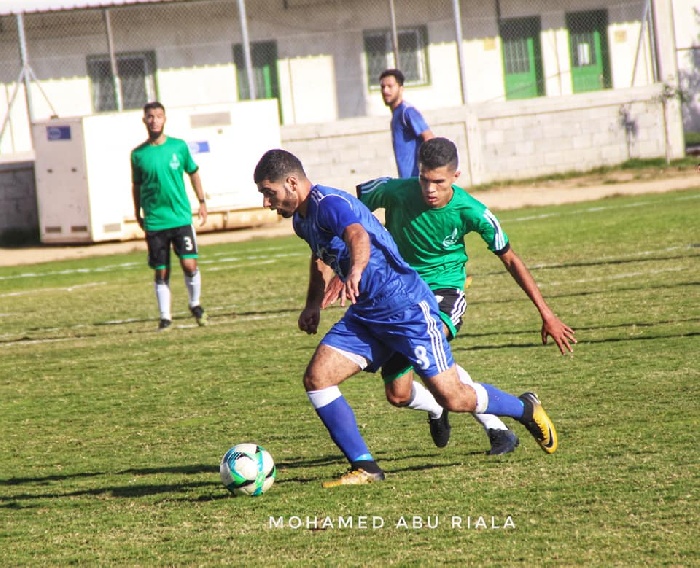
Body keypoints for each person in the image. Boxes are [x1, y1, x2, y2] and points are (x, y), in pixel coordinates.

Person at [254, 148, 559, 488]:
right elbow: (320, 256)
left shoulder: (328, 203)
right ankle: (366, 467)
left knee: (453, 397)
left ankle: (524, 408)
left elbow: (357, 234)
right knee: (318, 378)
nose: (267, 202)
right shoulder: (301, 218)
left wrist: (354, 270)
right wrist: (312, 304)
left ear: (292, 183)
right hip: (367, 315)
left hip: (406, 308)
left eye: (269, 192)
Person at [325, 137, 576, 456]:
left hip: (444, 292)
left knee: (430, 348)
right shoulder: (394, 191)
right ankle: (436, 407)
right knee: (398, 395)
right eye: (424, 180)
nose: (429, 189)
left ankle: (499, 428)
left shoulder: (472, 211)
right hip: (398, 294)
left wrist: (547, 314)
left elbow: (511, 259)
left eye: (438, 182)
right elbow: (341, 210)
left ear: (455, 177)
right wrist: (341, 261)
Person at [131, 101, 209, 331]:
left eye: (158, 116)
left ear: (164, 119)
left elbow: (193, 173)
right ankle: (165, 317)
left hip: (180, 218)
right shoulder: (138, 154)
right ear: (144, 120)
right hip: (155, 220)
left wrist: (202, 202)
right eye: (150, 117)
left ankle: (195, 304)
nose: (154, 120)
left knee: (189, 263)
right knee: (161, 270)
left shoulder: (179, 147)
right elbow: (136, 185)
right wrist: (137, 212)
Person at [379, 68, 434, 178]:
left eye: (390, 86)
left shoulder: (407, 112)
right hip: (407, 180)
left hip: (416, 181)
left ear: (401, 88)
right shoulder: (397, 114)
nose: (385, 91)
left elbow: (429, 138)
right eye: (383, 87)